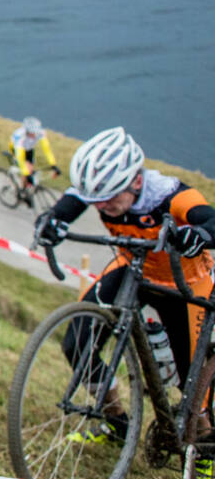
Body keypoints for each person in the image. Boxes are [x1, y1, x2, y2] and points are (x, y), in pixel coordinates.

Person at [36, 127, 215, 443]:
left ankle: (205, 444)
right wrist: (52, 220)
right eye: (96, 201)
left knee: (192, 379)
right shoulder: (101, 192)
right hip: (133, 268)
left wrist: (199, 235)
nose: (102, 207)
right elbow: (74, 199)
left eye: (109, 198)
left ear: (135, 180)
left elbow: (209, 219)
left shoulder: (172, 196)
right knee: (77, 343)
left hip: (186, 283)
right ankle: (116, 422)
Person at [9, 116, 59, 188]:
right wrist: (26, 174)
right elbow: (20, 157)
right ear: (27, 131)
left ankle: (25, 188)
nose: (34, 135)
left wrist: (53, 165)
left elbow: (47, 150)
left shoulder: (40, 133)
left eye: (35, 132)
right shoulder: (20, 136)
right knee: (27, 170)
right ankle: (22, 189)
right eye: (31, 133)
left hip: (29, 150)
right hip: (17, 150)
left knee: (31, 170)